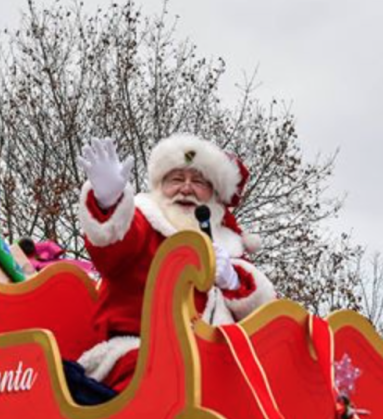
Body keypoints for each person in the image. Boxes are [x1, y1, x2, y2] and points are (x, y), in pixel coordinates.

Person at [75, 134, 275, 391]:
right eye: (176, 179)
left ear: (213, 195)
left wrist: (232, 281)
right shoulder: (144, 220)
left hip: (216, 366)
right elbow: (113, 247)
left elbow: (264, 319)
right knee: (169, 379)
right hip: (140, 354)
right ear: (160, 186)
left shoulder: (229, 248)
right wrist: (109, 203)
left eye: (198, 182)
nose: (186, 188)